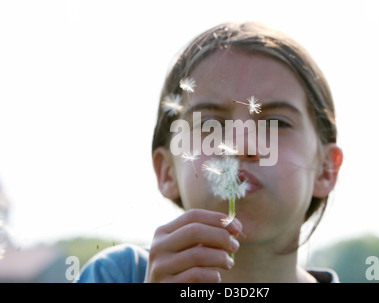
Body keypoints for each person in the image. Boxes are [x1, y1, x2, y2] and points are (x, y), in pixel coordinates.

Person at [78, 21, 344, 283]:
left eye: (277, 124)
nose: (241, 145)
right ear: (167, 171)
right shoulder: (116, 275)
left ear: (325, 169)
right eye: (209, 125)